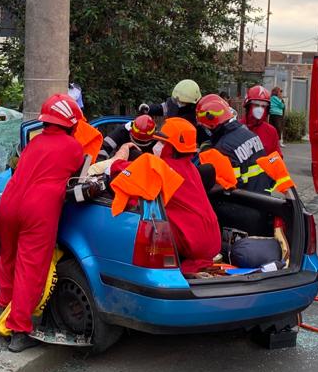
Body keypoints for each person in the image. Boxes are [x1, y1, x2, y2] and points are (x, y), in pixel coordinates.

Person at [0, 93, 85, 353]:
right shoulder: (73, 147)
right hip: (38, 209)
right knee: (31, 268)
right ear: (71, 122)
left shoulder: (34, 143)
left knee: (8, 256)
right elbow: (77, 176)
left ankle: (4, 304)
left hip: (8, 203)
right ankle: (19, 330)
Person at [109, 117, 221, 274]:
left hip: (191, 244)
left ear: (171, 147)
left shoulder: (162, 169)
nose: (156, 146)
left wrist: (120, 155)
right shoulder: (191, 168)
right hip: (211, 241)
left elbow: (121, 170)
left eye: (161, 142)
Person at [195, 93, 273, 194]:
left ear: (211, 125)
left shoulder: (223, 148)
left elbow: (227, 188)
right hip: (264, 195)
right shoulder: (249, 134)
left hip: (246, 201)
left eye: (203, 126)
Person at [139, 79, 207, 144]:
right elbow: (162, 108)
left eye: (182, 102)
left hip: (189, 144)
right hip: (170, 137)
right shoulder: (173, 103)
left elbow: (205, 138)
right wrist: (149, 109)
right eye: (177, 100)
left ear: (193, 103)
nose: (179, 103)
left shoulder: (199, 114)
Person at [244, 85, 281, 155]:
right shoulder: (237, 128)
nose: (260, 109)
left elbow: (277, 156)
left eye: (263, 106)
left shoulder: (271, 131)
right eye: (256, 105)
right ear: (248, 106)